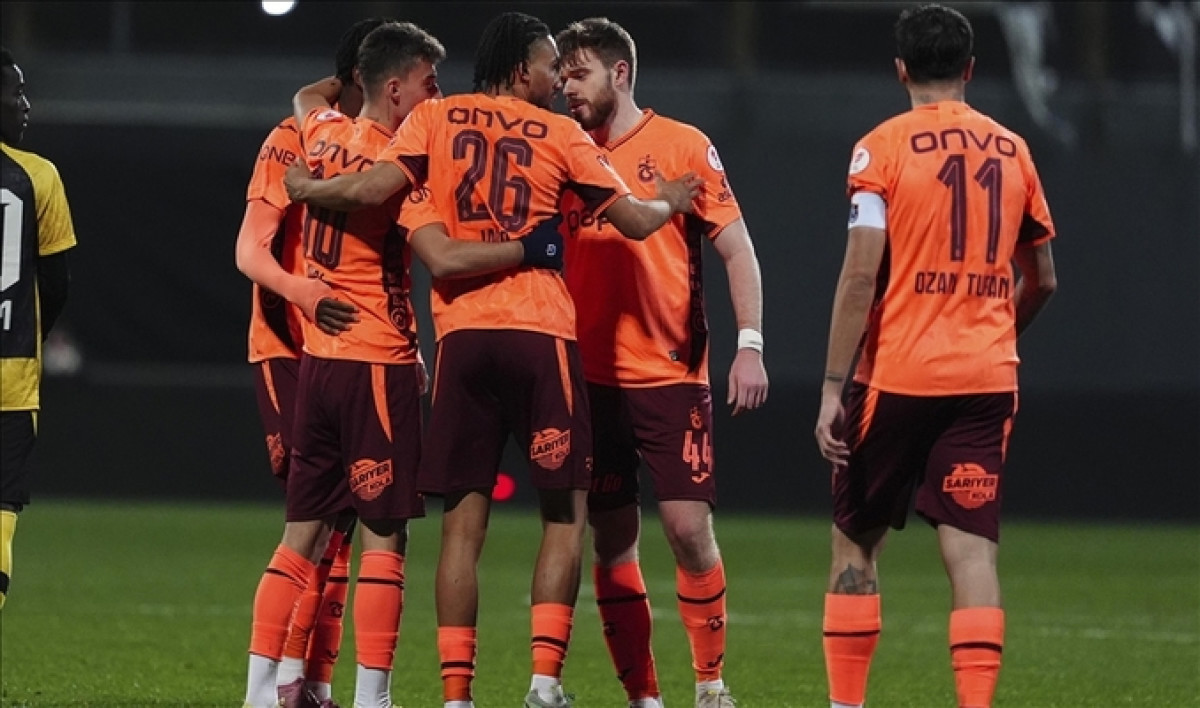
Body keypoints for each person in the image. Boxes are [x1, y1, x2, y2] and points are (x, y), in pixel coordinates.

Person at [285, 12, 700, 708]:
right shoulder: (561, 132)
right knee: (564, 517)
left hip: (463, 340)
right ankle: (544, 683)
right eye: (549, 65)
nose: (557, 79)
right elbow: (632, 221)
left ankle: (456, 695)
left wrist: (306, 190)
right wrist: (668, 201)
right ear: (518, 69)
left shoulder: (434, 118)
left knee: (461, 526)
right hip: (540, 335)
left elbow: (370, 190)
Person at [243, 22, 565, 708]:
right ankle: (373, 697)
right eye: (428, 82)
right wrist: (529, 249)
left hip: (318, 359)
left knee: (299, 540)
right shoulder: (400, 166)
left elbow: (307, 97)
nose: (436, 95)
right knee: (385, 541)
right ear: (395, 90)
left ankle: (259, 693)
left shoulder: (318, 132)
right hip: (373, 360)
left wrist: (309, 168)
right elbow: (440, 255)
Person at [812, 5, 1058, 708]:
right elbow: (1043, 278)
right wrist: (994, 332)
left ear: (901, 70)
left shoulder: (880, 149)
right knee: (972, 551)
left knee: (855, 543)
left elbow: (861, 275)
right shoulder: (1013, 150)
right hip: (985, 378)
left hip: (898, 373)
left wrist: (830, 387)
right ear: (970, 68)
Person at [555, 18, 768, 708]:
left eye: (579, 74)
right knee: (612, 537)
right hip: (588, 377)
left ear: (620, 73)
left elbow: (737, 250)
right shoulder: (560, 149)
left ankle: (710, 683)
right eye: (561, 76)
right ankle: (643, 697)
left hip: (670, 374)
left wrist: (750, 345)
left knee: (686, 528)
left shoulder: (683, 145)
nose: (566, 88)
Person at [235, 18, 389, 706]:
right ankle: (277, 683)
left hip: (347, 349)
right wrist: (302, 293)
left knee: (345, 517)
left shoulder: (382, 143)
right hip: (286, 345)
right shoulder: (290, 136)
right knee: (312, 518)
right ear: (365, 76)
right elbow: (250, 250)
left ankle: (309, 681)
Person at [0, 46, 77, 612]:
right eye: (16, 93)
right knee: (1, 515)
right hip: (11, 378)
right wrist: (27, 333)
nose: (25, 105)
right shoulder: (38, 176)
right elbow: (55, 283)